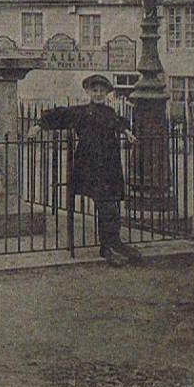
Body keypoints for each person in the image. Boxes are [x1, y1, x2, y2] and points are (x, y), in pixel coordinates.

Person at [28, 74, 140, 265]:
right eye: (94, 91)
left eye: (101, 91)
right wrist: (38, 126)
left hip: (110, 165)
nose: (98, 94)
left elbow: (119, 122)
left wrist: (128, 132)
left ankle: (115, 243)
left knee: (113, 205)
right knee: (105, 206)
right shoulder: (81, 112)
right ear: (88, 92)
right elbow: (59, 115)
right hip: (90, 166)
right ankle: (108, 249)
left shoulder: (109, 112)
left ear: (107, 93)